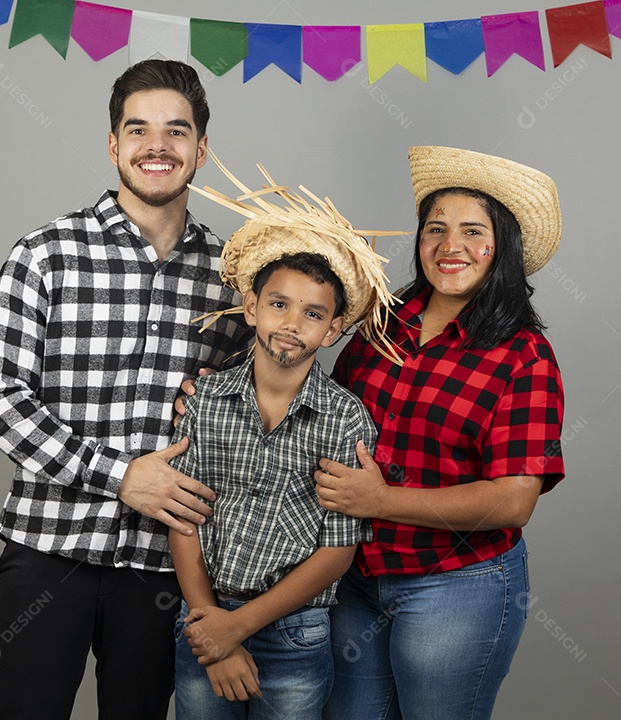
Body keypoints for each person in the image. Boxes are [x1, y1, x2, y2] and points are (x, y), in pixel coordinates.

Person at [0, 59, 250, 720]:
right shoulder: (46, 253)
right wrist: (118, 476)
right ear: (113, 145)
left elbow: (262, 414)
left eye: (177, 131)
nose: (158, 146)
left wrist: (229, 401)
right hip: (48, 550)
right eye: (139, 129)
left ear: (201, 149)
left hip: (165, 568)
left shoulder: (236, 277)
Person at [315, 146, 566, 720]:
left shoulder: (524, 356)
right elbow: (326, 412)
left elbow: (512, 499)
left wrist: (381, 500)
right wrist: (230, 390)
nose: (450, 246)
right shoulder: (383, 321)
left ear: (501, 246)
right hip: (355, 573)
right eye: (436, 229)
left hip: (456, 584)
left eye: (472, 231)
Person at [168, 160, 402, 719]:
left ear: (333, 328)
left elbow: (337, 550)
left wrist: (239, 627)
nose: (292, 323)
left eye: (313, 313)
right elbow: (182, 516)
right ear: (251, 307)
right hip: (202, 616)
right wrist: (210, 624)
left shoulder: (347, 421)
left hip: (294, 632)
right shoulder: (205, 402)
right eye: (279, 304)